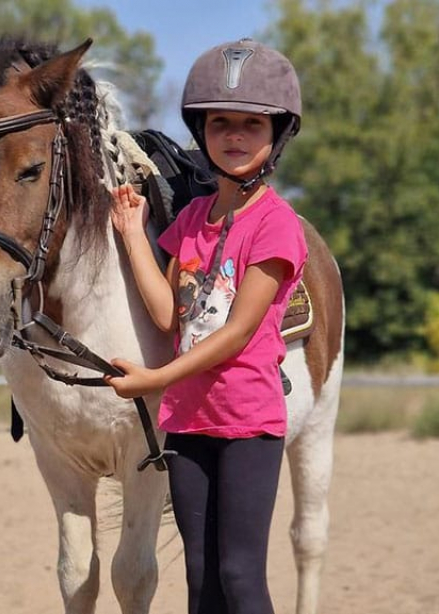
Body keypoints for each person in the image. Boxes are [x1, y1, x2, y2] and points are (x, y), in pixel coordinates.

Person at [105, 39, 307, 614]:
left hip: (247, 423)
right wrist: (131, 233)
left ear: (277, 134)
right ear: (202, 129)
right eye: (221, 123)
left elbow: (238, 333)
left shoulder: (275, 225)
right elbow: (172, 314)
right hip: (190, 421)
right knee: (199, 582)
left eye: (251, 123)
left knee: (240, 577)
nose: (235, 136)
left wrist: (153, 379)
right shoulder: (194, 217)